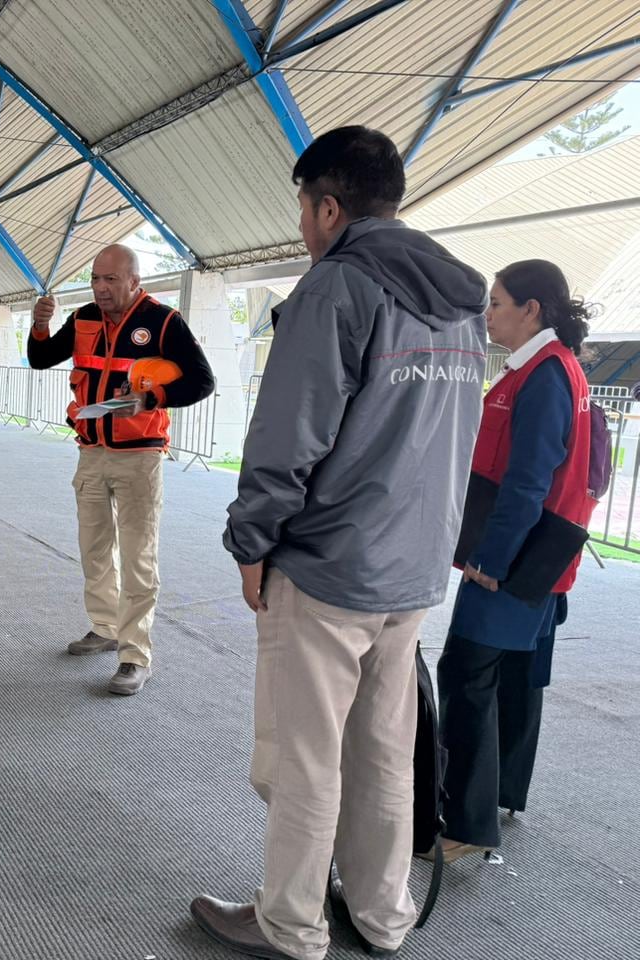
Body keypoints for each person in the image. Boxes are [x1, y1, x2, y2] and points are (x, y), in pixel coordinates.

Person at [193, 126, 488, 960]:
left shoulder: (337, 289)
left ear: (329, 206)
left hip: (331, 564)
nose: (302, 227)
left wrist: (251, 539)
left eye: (303, 208)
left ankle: (290, 923)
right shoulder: (461, 300)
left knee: (304, 756)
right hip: (416, 566)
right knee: (385, 752)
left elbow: (288, 436)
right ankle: (382, 913)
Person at [434, 260, 595, 863]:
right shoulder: (552, 371)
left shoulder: (545, 377)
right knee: (515, 678)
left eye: (497, 303)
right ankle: (502, 794)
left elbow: (529, 482)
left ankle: (464, 826)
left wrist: (490, 560)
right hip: (540, 558)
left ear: (532, 310)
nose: (488, 315)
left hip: (515, 558)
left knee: (467, 677)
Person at [26, 244, 213, 696]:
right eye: (95, 279)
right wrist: (38, 323)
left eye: (110, 280)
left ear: (133, 280)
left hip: (140, 455)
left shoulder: (163, 321)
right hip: (91, 450)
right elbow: (41, 358)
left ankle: (134, 655)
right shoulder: (85, 318)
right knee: (93, 548)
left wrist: (156, 399)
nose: (100, 288)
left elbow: (202, 380)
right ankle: (105, 626)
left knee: (137, 557)